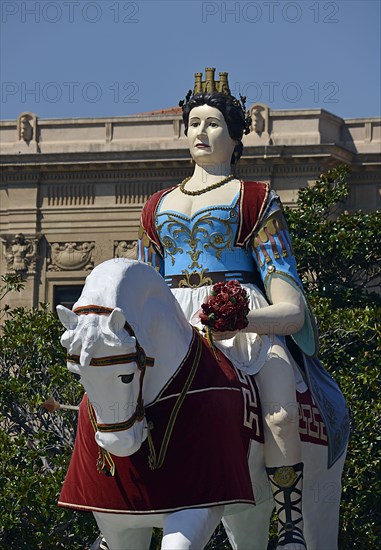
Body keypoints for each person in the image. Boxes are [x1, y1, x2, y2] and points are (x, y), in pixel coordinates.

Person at [137, 68, 346, 550]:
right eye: (194, 123)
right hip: (172, 325)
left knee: (279, 414)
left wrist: (243, 317)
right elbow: (141, 286)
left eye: (212, 124)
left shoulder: (254, 200)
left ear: (235, 136)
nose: (200, 132)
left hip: (245, 329)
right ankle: (114, 513)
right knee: (110, 396)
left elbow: (291, 306)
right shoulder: (155, 208)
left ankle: (290, 522)